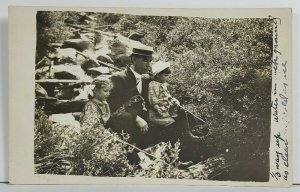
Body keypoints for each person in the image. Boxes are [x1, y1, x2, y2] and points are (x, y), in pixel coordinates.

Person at [148, 61, 200, 143]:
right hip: (158, 112)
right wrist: (157, 108)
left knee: (181, 111)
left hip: (167, 107)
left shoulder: (163, 84)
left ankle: (187, 133)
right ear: (158, 75)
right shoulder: (153, 85)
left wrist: (173, 100)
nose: (167, 78)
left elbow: (167, 95)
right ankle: (172, 141)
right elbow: (153, 98)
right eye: (165, 76)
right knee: (171, 123)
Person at [107, 45, 154, 136]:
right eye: (145, 60)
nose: (148, 65)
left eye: (150, 61)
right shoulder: (119, 78)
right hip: (125, 123)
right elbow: (113, 106)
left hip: (144, 123)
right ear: (134, 59)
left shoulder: (145, 80)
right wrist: (135, 118)